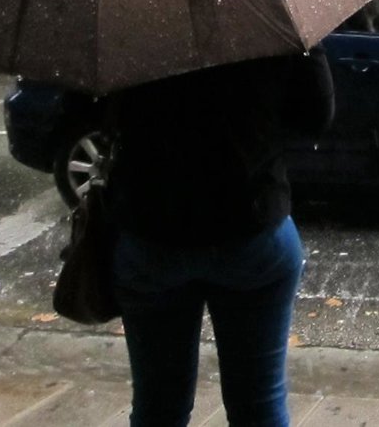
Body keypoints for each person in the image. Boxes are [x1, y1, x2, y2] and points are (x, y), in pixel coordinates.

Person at [104, 51, 334, 426]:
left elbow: (84, 112)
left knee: (157, 406)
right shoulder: (268, 22)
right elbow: (316, 115)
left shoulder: (127, 26)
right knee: (259, 405)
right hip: (252, 224)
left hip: (152, 229)